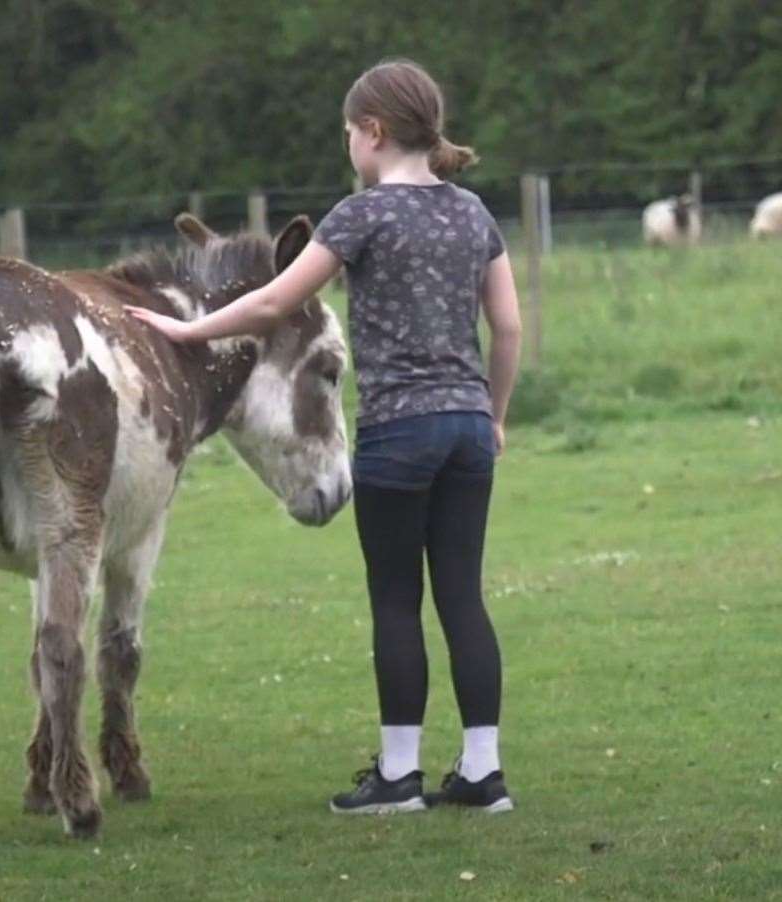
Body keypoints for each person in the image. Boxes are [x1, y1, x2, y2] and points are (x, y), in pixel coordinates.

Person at [126, 58, 522, 815]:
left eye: (348, 132)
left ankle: (399, 778)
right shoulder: (473, 213)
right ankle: (482, 774)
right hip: (468, 427)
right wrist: (494, 414)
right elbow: (505, 327)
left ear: (372, 134)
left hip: (400, 430)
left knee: (397, 600)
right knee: (463, 599)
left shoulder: (360, 215)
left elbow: (273, 302)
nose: (348, 145)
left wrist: (187, 327)